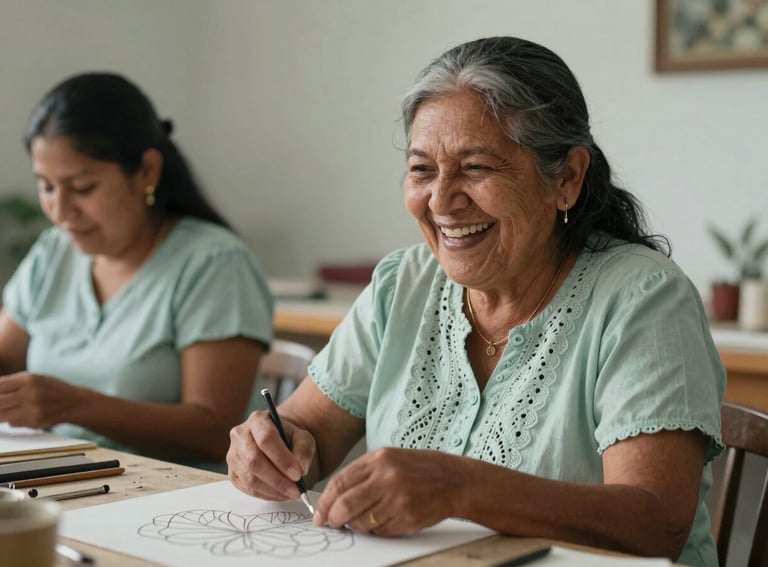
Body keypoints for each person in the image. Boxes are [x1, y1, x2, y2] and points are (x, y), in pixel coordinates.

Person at [227, 37, 724, 566]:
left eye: (476, 168)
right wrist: (266, 449)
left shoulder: (645, 298)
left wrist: (461, 487)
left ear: (567, 177)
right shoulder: (404, 283)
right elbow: (307, 435)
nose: (441, 200)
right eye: (421, 170)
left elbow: (655, 524)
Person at [0, 72, 273, 469]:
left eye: (82, 187)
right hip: (62, 479)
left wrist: (75, 404)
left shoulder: (215, 264)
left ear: (147, 170)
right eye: (46, 187)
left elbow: (219, 431)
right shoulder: (53, 253)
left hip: (171, 501)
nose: (60, 211)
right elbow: (6, 357)